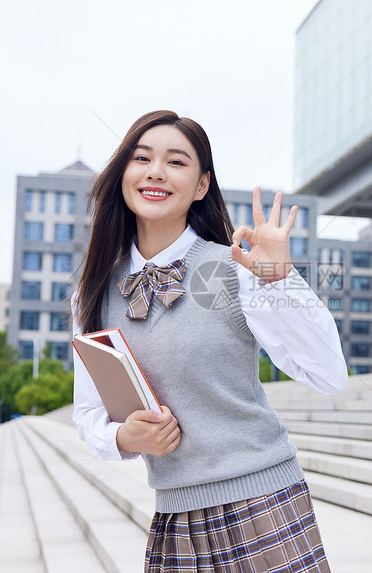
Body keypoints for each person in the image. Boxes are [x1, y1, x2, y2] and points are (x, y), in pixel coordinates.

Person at [71, 110, 347, 573]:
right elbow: (88, 412)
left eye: (176, 162)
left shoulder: (238, 269)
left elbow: (328, 374)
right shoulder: (94, 290)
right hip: (174, 520)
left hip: (263, 505)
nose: (156, 171)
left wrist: (279, 280)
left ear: (201, 186)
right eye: (142, 158)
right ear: (124, 174)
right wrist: (124, 436)